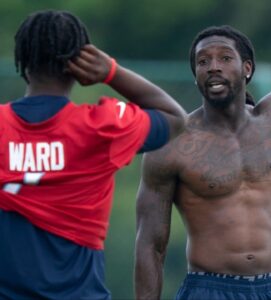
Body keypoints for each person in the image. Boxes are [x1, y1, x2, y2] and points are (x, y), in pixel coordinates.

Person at [0, 10, 186, 299]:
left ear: (22, 59)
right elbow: (175, 118)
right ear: (78, 63)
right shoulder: (100, 128)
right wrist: (112, 72)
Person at [134, 25, 271, 300]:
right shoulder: (173, 144)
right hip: (209, 289)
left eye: (224, 58)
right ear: (196, 75)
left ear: (247, 68)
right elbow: (150, 245)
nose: (213, 67)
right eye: (203, 61)